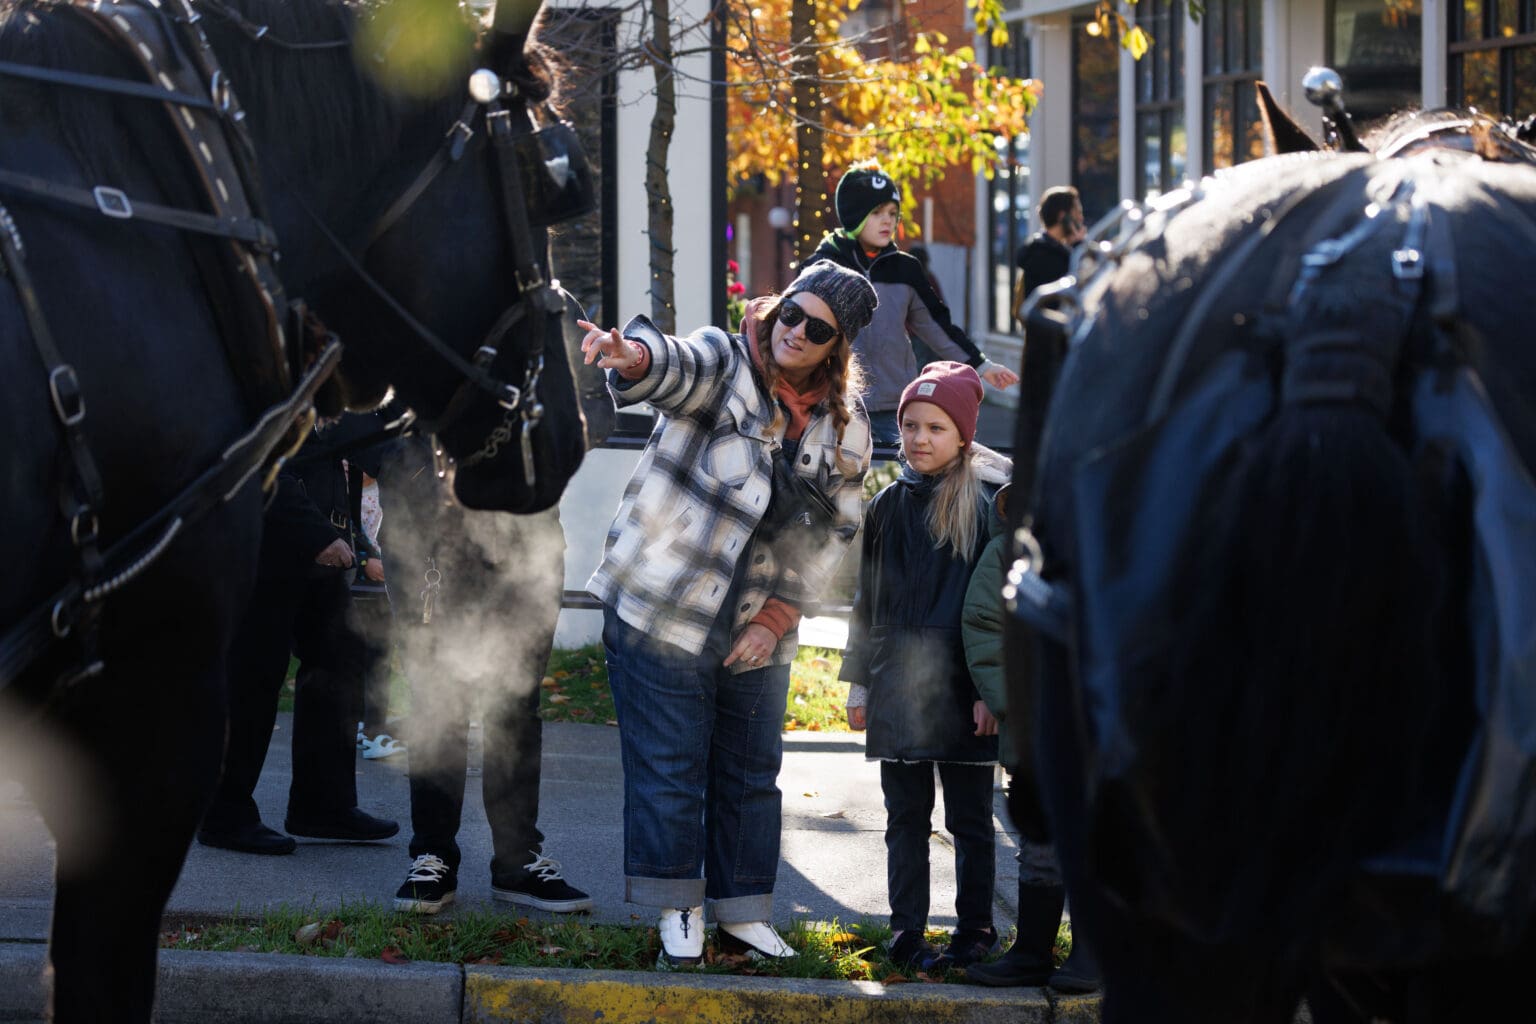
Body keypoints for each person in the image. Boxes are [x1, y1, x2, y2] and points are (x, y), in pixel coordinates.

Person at [581, 261, 876, 968]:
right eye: (790, 314)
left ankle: (743, 912)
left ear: (838, 346)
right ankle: (678, 907)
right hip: (662, 608)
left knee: (750, 772)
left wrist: (775, 619)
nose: (795, 332)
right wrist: (634, 356)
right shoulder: (726, 361)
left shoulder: (847, 426)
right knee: (672, 765)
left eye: (817, 328)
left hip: (757, 622)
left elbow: (834, 532)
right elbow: (673, 366)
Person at [841, 361, 1011, 971]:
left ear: (963, 434)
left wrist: (994, 692)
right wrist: (859, 679)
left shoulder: (989, 505)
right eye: (910, 424)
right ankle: (907, 931)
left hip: (963, 689)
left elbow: (996, 611)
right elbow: (868, 597)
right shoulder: (887, 503)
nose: (918, 438)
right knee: (904, 818)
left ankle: (975, 931)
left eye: (935, 427)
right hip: (895, 682)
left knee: (970, 819)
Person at [385, 436, 592, 916]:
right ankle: (432, 855)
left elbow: (591, 413)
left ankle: (518, 862)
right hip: (429, 544)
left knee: (516, 708)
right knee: (437, 706)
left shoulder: (550, 357)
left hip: (527, 546)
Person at [198, 420, 399, 855]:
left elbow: (368, 447)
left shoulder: (333, 385)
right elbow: (260, 462)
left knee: (339, 666)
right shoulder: (277, 373)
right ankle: (223, 814)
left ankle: (323, 805)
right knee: (251, 679)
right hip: (264, 547)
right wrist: (317, 534)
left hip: (321, 554)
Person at [959, 483, 1100, 993]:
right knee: (1039, 845)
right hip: (1038, 729)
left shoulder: (1113, 545)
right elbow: (984, 629)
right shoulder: (1008, 555)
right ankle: (1033, 950)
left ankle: (1093, 952)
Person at [805, 162, 1019, 446]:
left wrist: (982, 365)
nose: (888, 221)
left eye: (893, 213)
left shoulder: (906, 269)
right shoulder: (822, 267)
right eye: (877, 213)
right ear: (854, 216)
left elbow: (937, 327)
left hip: (895, 405)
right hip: (835, 404)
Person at [1012, 185, 1086, 325]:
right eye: (1077, 212)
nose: (1081, 218)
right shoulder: (1049, 256)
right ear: (1063, 217)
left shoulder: (1037, 249)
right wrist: (1078, 247)